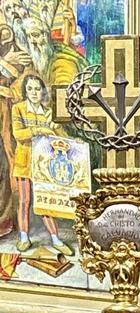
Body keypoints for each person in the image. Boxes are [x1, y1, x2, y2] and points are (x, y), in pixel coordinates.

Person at [9, 72, 69, 254]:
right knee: (25, 201)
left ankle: (56, 239)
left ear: (43, 91)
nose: (34, 93)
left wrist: (56, 127)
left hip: (44, 165)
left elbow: (63, 140)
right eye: (30, 89)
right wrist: (37, 129)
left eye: (37, 89)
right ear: (25, 91)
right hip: (24, 162)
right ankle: (24, 237)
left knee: (45, 201)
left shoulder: (48, 112)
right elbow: (18, 134)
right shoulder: (18, 109)